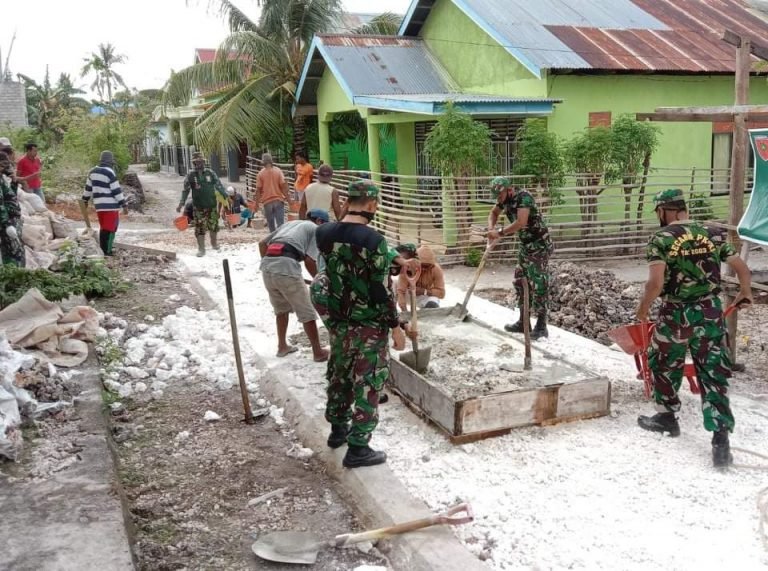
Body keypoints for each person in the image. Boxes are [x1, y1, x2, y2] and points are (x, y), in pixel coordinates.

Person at [635, 188, 753, 468]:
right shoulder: (712, 233)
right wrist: (745, 291)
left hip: (676, 314)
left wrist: (642, 310)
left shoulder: (662, 238)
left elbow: (655, 284)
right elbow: (741, 268)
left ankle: (667, 418)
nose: (658, 217)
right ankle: (720, 442)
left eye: (658, 212)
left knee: (664, 363)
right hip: (710, 313)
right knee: (714, 372)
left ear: (666, 210)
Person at [310, 180, 419, 469]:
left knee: (340, 376)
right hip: (369, 326)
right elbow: (378, 290)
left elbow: (350, 250)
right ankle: (359, 448)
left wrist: (394, 257)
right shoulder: (375, 241)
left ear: (347, 202)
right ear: (372, 205)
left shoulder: (324, 234)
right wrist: (395, 326)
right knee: (369, 383)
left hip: (340, 323)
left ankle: (338, 431)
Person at [259, 208, 331, 362]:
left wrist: (269, 263)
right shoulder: (314, 229)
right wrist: (320, 281)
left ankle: (282, 346)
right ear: (319, 221)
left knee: (281, 310)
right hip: (287, 266)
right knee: (307, 312)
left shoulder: (290, 224)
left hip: (268, 267)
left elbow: (262, 243)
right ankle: (318, 352)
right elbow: (310, 260)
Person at [487, 177, 553, 340]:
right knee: (520, 281)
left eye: (500, 195)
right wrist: (491, 229)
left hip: (539, 244)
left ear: (509, 190)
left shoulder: (524, 198)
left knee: (539, 284)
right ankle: (523, 323)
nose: (498, 198)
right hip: (525, 246)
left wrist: (500, 232)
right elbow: (493, 213)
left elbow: (521, 222)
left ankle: (541, 326)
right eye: (496, 195)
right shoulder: (503, 200)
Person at [177, 152, 227, 257]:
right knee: (199, 227)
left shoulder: (210, 173)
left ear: (203, 162)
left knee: (213, 225)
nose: (199, 164)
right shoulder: (190, 175)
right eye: (196, 162)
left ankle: (214, 244)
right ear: (194, 163)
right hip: (198, 206)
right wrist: (181, 203)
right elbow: (185, 190)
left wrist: (225, 195)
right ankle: (201, 249)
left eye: (200, 161)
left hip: (211, 205)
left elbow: (218, 185)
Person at [83, 151, 127, 256]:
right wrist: (123, 204)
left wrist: (85, 200)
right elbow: (116, 190)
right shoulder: (110, 172)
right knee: (111, 228)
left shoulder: (92, 172)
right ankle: (107, 251)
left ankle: (104, 250)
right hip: (110, 206)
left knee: (104, 227)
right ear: (110, 162)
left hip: (99, 206)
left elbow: (88, 188)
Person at [397, 244, 446, 311]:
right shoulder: (408, 266)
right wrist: (405, 311)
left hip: (423, 296)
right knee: (394, 286)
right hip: (408, 294)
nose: (424, 269)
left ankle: (427, 316)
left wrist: (424, 291)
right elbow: (401, 291)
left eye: (427, 266)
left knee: (434, 301)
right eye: (423, 266)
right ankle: (392, 314)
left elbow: (441, 294)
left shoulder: (436, 269)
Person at [0, 151, 25, 267]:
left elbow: (10, 197)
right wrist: (7, 224)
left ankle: (17, 275)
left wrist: (14, 183)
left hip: (13, 217)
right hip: (7, 221)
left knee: (16, 250)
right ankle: (14, 276)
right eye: (2, 165)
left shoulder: (2, 178)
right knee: (13, 251)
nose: (4, 168)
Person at [256, 153, 289, 232]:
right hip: (278, 200)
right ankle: (280, 240)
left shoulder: (260, 174)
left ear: (263, 162)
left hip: (267, 202)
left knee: (271, 224)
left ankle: (272, 239)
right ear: (271, 161)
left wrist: (256, 203)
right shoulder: (278, 171)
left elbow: (258, 190)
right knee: (280, 224)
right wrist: (289, 199)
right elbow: (283, 186)